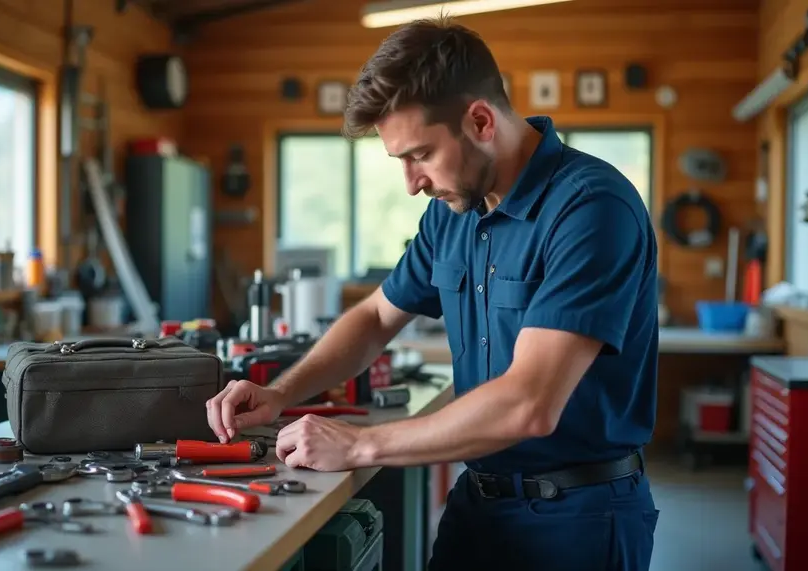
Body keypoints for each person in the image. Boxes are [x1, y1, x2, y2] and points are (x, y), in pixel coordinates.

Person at [206, 16, 660, 571]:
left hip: (578, 519)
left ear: (480, 121)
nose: (411, 182)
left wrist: (360, 445)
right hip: (478, 506)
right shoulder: (453, 213)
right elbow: (375, 316)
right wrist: (281, 392)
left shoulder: (590, 208)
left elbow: (530, 405)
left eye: (419, 154)